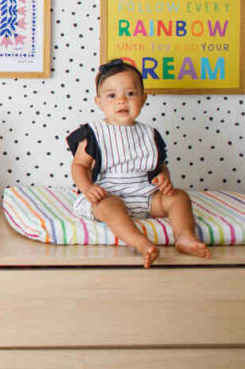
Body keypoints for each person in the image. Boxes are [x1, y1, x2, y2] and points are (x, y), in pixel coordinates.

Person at [67, 59, 210, 267]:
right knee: (108, 206)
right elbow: (79, 166)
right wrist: (88, 188)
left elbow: (158, 166)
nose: (122, 100)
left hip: (145, 195)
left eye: (131, 94)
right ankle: (141, 243)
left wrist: (163, 179)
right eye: (112, 95)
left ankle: (185, 236)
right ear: (99, 102)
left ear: (143, 99)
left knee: (179, 197)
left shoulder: (149, 134)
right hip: (109, 192)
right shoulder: (94, 133)